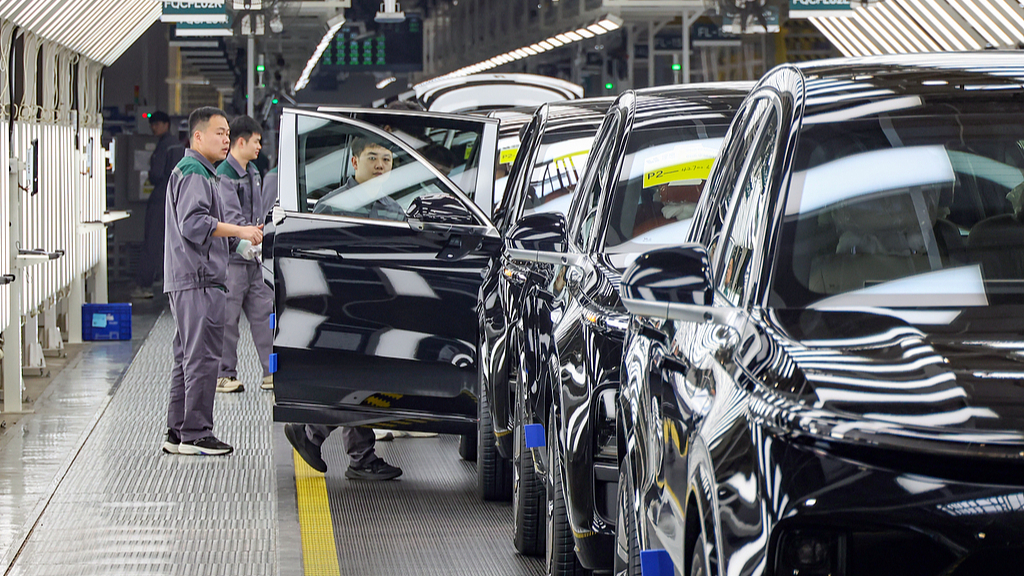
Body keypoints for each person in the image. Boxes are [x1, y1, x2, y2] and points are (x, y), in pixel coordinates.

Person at [285, 136, 403, 480]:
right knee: (358, 376)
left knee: (363, 377)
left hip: (378, 307)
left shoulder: (394, 209)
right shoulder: (332, 206)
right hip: (343, 305)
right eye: (372, 158)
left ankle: (355, 454)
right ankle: (316, 433)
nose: (380, 165)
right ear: (354, 162)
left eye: (386, 159)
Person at [161, 107, 264, 456]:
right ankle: (196, 434)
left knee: (188, 357)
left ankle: (177, 432)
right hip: (199, 278)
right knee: (203, 358)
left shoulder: (201, 171)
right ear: (198, 136)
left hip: (190, 277)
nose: (225, 139)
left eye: (227, 134)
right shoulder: (195, 172)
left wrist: (238, 243)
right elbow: (194, 224)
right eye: (219, 133)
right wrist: (240, 231)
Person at [214, 115, 275, 394]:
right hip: (232, 260)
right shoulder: (224, 175)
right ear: (241, 142)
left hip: (254, 259)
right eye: (256, 141)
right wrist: (245, 240)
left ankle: (272, 373)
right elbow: (230, 215)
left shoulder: (254, 173)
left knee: (264, 314)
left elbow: (258, 212)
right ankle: (224, 374)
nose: (260, 147)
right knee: (228, 319)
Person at [133, 111, 176, 299]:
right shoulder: (177, 144)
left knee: (152, 240)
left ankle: (145, 285)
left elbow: (156, 174)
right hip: (175, 198)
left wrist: (152, 176)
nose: (153, 128)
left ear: (166, 124)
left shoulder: (164, 146)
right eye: (152, 124)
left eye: (157, 124)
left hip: (160, 197)